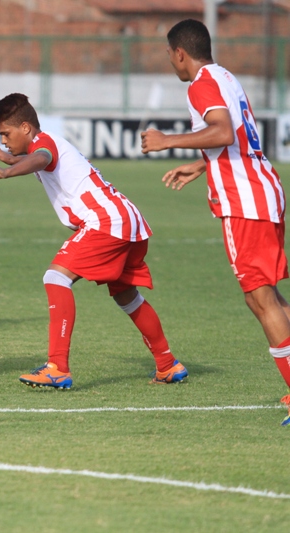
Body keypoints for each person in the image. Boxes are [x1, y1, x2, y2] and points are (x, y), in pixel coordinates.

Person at [0, 93, 186, 389]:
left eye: (6, 134)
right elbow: (38, 160)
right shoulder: (45, 142)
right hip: (128, 219)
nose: (5, 139)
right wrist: (8, 157)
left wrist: (8, 170)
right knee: (126, 295)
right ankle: (168, 364)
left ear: (25, 128)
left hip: (106, 221)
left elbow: (42, 158)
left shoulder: (44, 144)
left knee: (55, 278)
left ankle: (57, 367)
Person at [141, 19, 290, 425]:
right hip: (262, 191)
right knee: (263, 296)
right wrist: (200, 165)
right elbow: (239, 140)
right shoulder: (225, 76)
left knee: (260, 297)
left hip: (244, 202)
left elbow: (223, 132)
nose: (171, 62)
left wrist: (168, 141)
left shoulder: (200, 84)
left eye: (169, 55)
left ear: (179, 53)